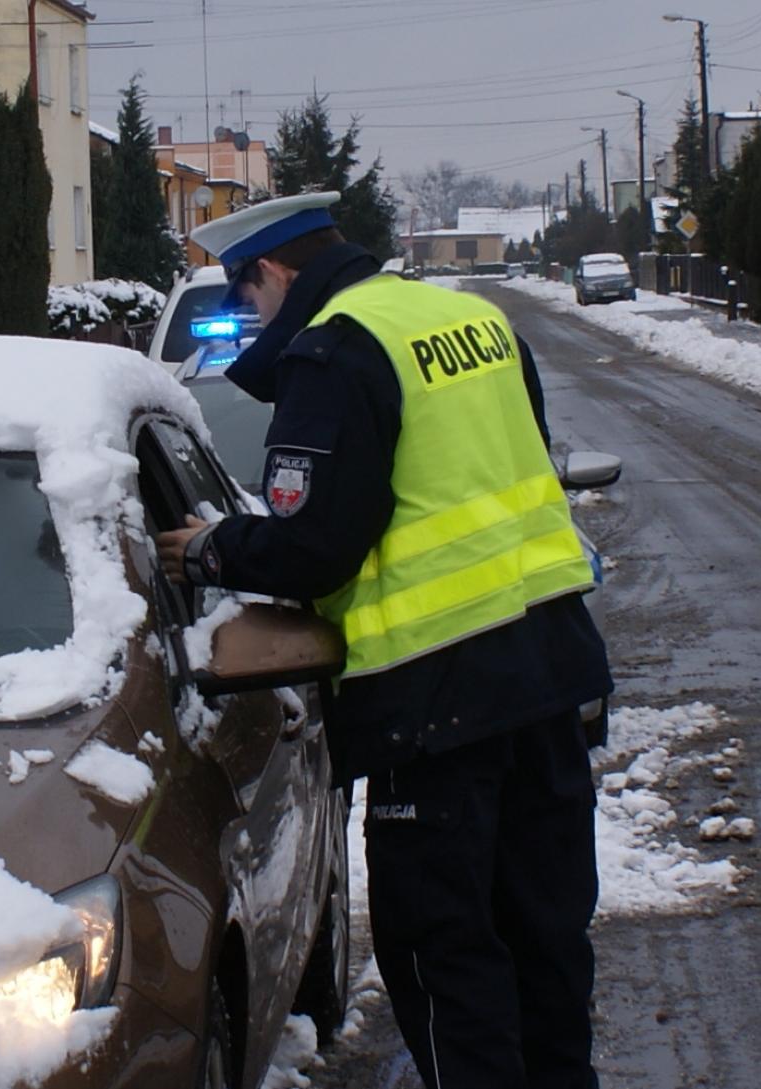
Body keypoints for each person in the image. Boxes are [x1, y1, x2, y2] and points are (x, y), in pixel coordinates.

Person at [156, 192, 613, 1089]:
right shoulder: (472, 321)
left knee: (448, 961)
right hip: (550, 678)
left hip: (434, 712)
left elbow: (313, 545)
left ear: (275, 271)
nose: (252, 319)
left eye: (247, 299)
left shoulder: (335, 349)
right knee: (546, 942)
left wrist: (212, 546)